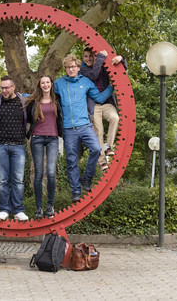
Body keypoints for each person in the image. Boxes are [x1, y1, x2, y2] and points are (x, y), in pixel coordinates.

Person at [54, 55, 114, 203]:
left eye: (73, 66)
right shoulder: (59, 83)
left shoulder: (86, 82)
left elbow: (99, 98)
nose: (71, 69)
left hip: (85, 125)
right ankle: (76, 191)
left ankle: (87, 179)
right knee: (71, 161)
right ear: (65, 68)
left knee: (96, 149)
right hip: (68, 129)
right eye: (68, 67)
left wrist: (111, 87)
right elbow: (44, 96)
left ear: (78, 68)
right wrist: (22, 96)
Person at [80, 48, 128, 171]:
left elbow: (121, 70)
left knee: (115, 118)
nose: (88, 58)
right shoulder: (83, 70)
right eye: (86, 56)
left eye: (91, 56)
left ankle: (109, 147)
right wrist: (101, 57)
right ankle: (102, 162)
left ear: (94, 57)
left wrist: (121, 58)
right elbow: (93, 75)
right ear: (83, 58)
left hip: (107, 103)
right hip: (93, 105)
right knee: (98, 132)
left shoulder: (103, 66)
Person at [0, 75, 29, 221]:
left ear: (13, 87)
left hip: (18, 146)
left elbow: (38, 95)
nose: (4, 90)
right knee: (2, 180)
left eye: (7, 87)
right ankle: (4, 209)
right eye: (2, 88)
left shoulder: (23, 101)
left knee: (18, 180)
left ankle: (18, 210)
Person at [25, 75, 63, 219]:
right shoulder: (34, 101)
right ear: (40, 85)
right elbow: (28, 118)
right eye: (43, 83)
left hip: (53, 138)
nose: (45, 85)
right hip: (37, 138)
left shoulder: (57, 99)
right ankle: (39, 208)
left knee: (51, 173)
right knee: (39, 173)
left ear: (51, 84)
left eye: (48, 82)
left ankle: (50, 206)